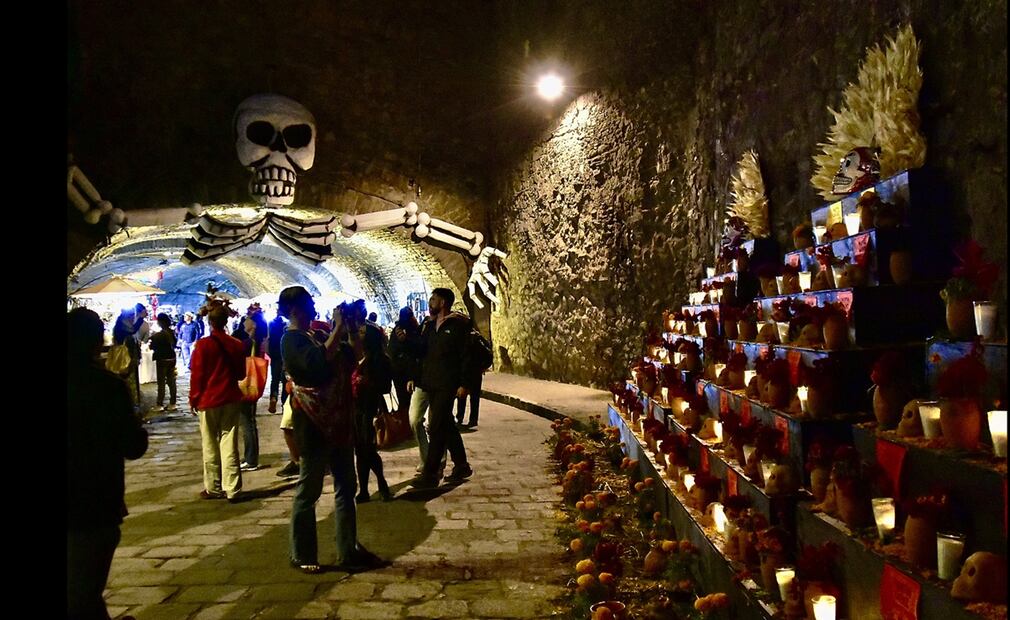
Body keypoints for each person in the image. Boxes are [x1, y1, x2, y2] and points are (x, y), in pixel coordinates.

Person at [279, 286, 386, 573]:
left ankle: (348, 548)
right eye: (308, 302)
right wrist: (337, 327)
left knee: (346, 486)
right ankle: (302, 553)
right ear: (294, 309)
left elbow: (354, 357)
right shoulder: (290, 340)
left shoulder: (316, 335)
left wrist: (350, 329)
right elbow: (316, 364)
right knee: (309, 489)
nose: (314, 305)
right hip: (313, 424)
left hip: (338, 423)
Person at [68, 308, 148, 620]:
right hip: (96, 504)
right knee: (84, 594)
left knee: (81, 596)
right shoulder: (108, 387)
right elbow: (133, 447)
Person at [409, 288, 477, 488]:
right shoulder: (429, 326)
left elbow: (466, 356)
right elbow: (421, 351)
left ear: (443, 302)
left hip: (448, 383)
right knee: (446, 424)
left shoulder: (457, 326)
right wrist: (407, 340)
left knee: (436, 426)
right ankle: (462, 465)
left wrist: (465, 383)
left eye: (434, 299)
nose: (430, 302)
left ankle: (430, 473)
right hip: (430, 381)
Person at [189, 305, 247, 502]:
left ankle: (213, 487)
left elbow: (197, 375)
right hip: (230, 397)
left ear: (210, 322)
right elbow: (241, 374)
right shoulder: (237, 344)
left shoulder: (203, 345)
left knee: (210, 443)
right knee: (229, 443)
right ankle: (233, 488)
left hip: (208, 399)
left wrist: (193, 398)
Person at [353, 322, 393, 502]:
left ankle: (381, 483)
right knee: (360, 451)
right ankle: (364, 490)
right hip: (355, 409)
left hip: (370, 408)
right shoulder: (355, 355)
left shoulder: (380, 359)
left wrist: (366, 382)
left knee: (367, 450)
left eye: (362, 332)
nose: (358, 335)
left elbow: (385, 387)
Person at [235, 307, 268, 472]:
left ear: (253, 324)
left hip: (246, 385)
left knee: (247, 422)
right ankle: (251, 456)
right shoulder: (258, 341)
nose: (244, 322)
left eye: (247, 319)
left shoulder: (248, 343)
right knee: (250, 421)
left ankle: (250, 459)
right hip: (253, 385)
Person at [112, 303, 146, 406]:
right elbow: (132, 330)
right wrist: (140, 318)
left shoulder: (122, 325)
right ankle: (130, 402)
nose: (132, 319)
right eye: (131, 316)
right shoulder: (123, 327)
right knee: (127, 380)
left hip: (130, 359)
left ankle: (132, 401)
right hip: (126, 359)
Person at [149, 313, 178, 412]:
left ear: (160, 322)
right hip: (172, 358)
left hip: (162, 359)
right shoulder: (171, 332)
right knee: (171, 380)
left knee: (161, 382)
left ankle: (160, 403)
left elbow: (152, 347)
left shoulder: (158, 335)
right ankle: (173, 403)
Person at [268, 313, 288, 413]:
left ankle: (273, 397)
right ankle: (284, 404)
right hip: (284, 356)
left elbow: (268, 339)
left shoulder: (271, 324)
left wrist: (270, 353)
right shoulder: (286, 326)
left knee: (274, 380)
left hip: (275, 355)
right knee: (285, 381)